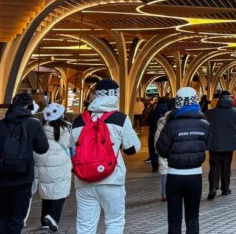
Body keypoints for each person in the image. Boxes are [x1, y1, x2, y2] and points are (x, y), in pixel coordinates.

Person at [72, 78, 140, 234]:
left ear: (96, 95)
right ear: (115, 95)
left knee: (85, 226)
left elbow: (73, 150)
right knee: (114, 222)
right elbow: (132, 149)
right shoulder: (120, 118)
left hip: (83, 180)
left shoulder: (78, 121)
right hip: (112, 180)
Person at [0, 92, 49, 234]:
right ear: (29, 106)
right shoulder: (33, 124)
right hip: (23, 178)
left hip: (1, 179)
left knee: (3, 216)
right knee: (17, 218)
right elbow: (43, 148)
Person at [156, 87, 210, 234]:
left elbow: (161, 150)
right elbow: (207, 145)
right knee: (193, 217)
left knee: (174, 218)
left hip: (174, 175)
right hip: (195, 175)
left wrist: (173, 154)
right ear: (196, 100)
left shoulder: (170, 124)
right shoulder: (204, 124)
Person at [34, 103, 73, 232]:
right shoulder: (66, 128)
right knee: (60, 192)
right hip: (61, 163)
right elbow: (71, 144)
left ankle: (44, 221)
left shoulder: (40, 128)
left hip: (43, 160)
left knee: (47, 192)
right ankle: (53, 217)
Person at [205, 91, 236, 200]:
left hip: (214, 144)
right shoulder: (235, 112)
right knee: (226, 168)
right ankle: (225, 189)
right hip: (228, 144)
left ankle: (212, 187)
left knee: (214, 167)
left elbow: (204, 122)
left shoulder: (210, 112)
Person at [147, 96, 171, 172]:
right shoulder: (169, 111)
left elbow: (149, 120)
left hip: (153, 131)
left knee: (153, 148)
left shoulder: (154, 110)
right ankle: (166, 165)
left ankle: (154, 167)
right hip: (165, 132)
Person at [154, 105, 172, 202]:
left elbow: (157, 136)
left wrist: (157, 149)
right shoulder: (175, 119)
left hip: (162, 148)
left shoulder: (162, 120)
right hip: (173, 148)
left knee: (164, 171)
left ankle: (164, 193)